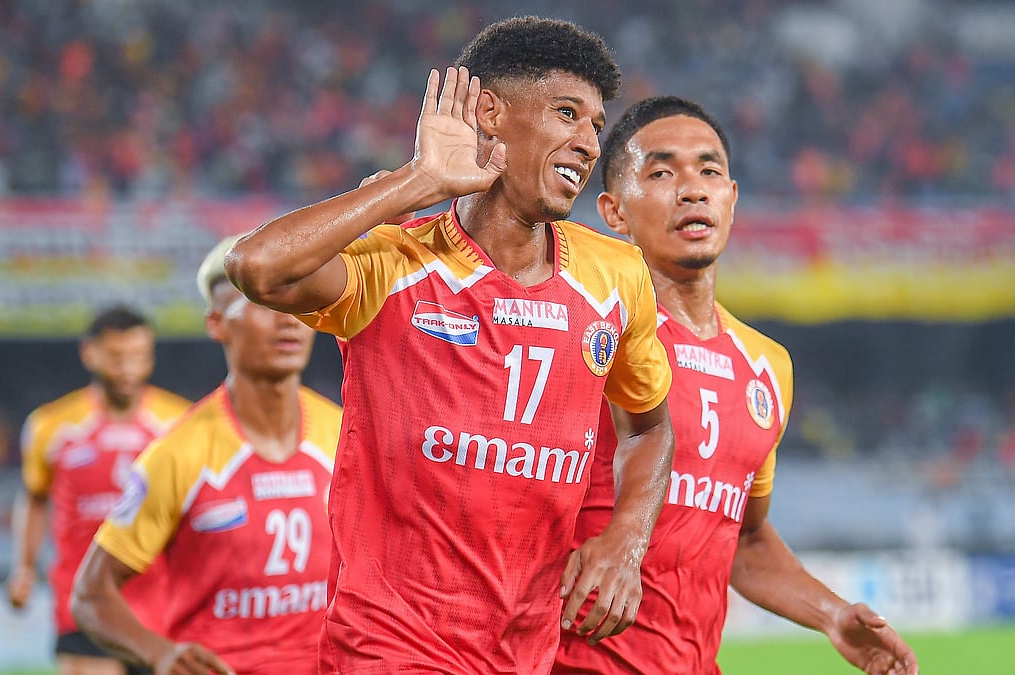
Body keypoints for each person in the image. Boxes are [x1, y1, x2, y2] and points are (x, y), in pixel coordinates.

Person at [225, 16, 675, 674]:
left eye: (594, 126)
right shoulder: (396, 263)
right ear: (489, 113)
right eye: (566, 113)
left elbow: (650, 427)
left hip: (526, 647)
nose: (586, 142)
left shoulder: (617, 276)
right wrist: (416, 182)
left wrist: (625, 541)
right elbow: (256, 267)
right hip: (389, 642)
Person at [552, 97, 919, 675]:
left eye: (710, 170)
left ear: (732, 198)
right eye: (662, 172)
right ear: (614, 211)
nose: (693, 189)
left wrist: (831, 614)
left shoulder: (769, 367)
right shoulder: (587, 335)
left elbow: (742, 541)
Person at [70, 237, 343, 674]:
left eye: (295, 301)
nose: (288, 321)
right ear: (216, 324)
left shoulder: (345, 432)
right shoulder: (178, 453)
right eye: (262, 303)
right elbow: (90, 593)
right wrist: (159, 653)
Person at [8, 305, 191, 675]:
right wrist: (24, 568)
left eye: (139, 356)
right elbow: (34, 498)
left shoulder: (181, 422)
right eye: (117, 357)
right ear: (89, 353)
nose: (129, 367)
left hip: (163, 609)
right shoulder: (51, 425)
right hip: (84, 607)